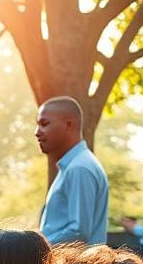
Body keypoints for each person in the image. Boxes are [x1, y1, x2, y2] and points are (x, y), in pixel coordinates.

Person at [36, 96, 109, 245]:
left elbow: (78, 232)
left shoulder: (79, 168)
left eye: (44, 124)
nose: (37, 132)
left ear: (69, 124)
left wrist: (37, 248)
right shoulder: (73, 166)